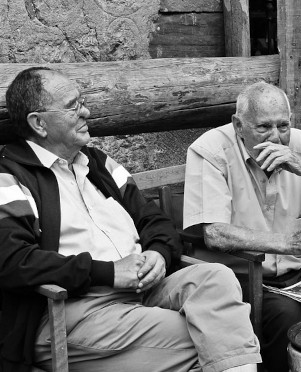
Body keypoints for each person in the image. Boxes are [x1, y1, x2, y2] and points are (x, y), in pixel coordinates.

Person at [0, 67, 261, 372]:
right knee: (214, 337)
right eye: (73, 106)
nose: (86, 111)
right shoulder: (11, 177)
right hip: (73, 310)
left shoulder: (97, 163)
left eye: (82, 101)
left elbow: (155, 220)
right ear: (39, 123)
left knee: (217, 278)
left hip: (144, 291)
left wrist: (159, 254)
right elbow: (12, 260)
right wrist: (107, 273)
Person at [183, 81, 301, 371]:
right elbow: (214, 233)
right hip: (243, 277)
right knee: (288, 317)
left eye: (283, 126)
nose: (276, 137)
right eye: (264, 127)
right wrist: (288, 243)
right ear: (238, 124)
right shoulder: (211, 150)